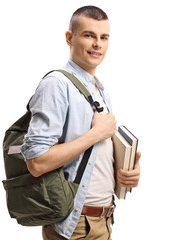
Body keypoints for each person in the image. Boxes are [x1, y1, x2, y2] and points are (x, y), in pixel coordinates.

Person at [21, 5, 141, 240]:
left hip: (103, 221)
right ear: (70, 38)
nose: (98, 44)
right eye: (89, 35)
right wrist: (96, 134)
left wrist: (126, 174)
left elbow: (90, 160)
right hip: (74, 227)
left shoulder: (100, 90)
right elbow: (36, 162)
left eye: (103, 37)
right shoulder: (57, 84)